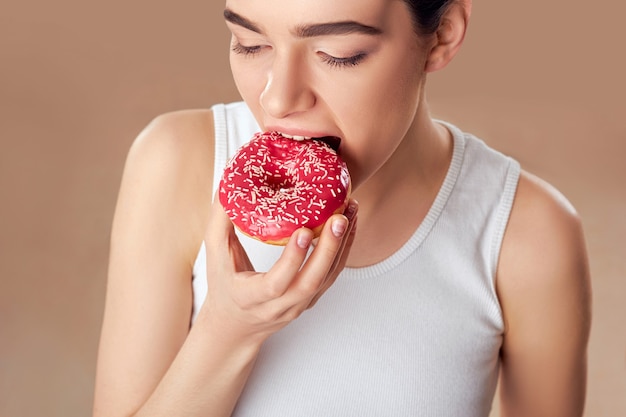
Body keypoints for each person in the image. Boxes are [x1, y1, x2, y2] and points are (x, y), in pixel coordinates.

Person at [93, 0, 592, 416]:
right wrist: (228, 331)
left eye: (339, 54)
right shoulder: (177, 161)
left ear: (440, 35)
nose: (278, 98)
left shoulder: (525, 231)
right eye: (250, 44)